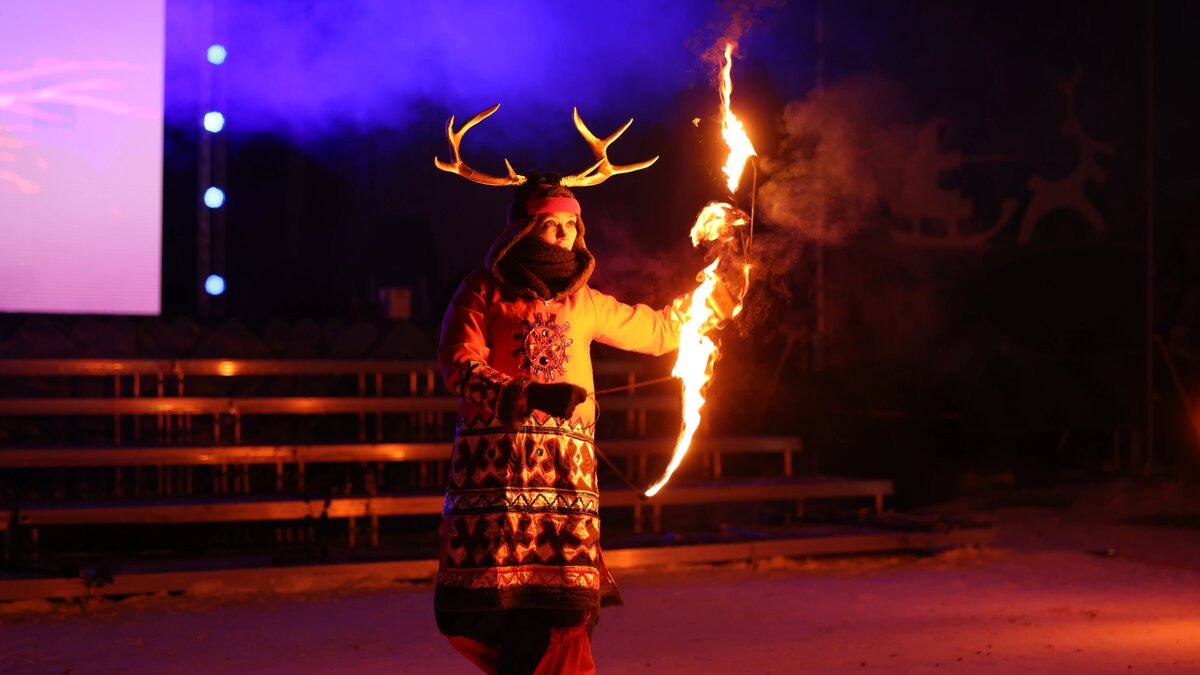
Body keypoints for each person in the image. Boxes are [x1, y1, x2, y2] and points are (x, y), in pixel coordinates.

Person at [435, 174, 706, 673]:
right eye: (550, 224)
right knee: (496, 613)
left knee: (563, 612)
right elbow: (459, 364)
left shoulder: (586, 302)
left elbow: (662, 331)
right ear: (522, 229)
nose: (563, 235)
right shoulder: (481, 291)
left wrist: (715, 297)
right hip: (496, 481)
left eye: (571, 225)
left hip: (566, 481)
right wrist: (528, 394)